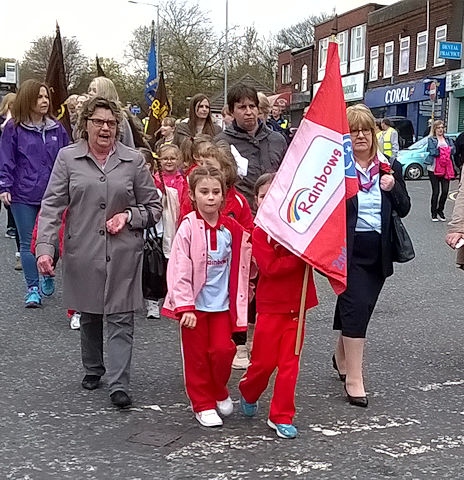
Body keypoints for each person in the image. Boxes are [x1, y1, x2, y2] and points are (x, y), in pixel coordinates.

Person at [35, 96, 162, 408]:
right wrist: (45, 248)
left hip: (124, 253)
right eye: (99, 122)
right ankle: (93, 367)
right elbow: (52, 206)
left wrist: (129, 216)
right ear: (86, 125)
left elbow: (154, 208)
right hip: (84, 249)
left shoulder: (133, 160)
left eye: (111, 122)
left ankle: (120, 385)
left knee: (121, 317)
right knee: (90, 312)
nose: (105, 128)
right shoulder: (67, 158)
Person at [332, 104, 410, 408]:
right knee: (357, 304)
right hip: (346, 250)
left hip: (378, 249)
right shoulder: (339, 169)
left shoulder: (388, 166)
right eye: (354, 130)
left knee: (359, 306)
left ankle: (340, 355)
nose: (361, 135)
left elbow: (403, 209)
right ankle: (354, 378)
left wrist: (392, 188)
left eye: (366, 129)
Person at [162, 166, 252, 428]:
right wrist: (185, 306)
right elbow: (178, 268)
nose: (210, 197)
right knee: (197, 356)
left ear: (224, 196)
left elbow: (248, 252)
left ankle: (218, 389)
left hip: (223, 305)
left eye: (216, 192)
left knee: (224, 351)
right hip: (195, 307)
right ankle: (201, 403)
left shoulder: (231, 228)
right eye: (204, 192)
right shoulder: (188, 228)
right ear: (192, 194)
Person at [238, 172, 318, 439]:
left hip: (297, 304)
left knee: (289, 364)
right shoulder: (260, 232)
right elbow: (270, 268)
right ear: (257, 201)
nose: (270, 199)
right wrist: (300, 255)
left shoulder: (301, 228)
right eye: (264, 195)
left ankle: (281, 415)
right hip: (271, 307)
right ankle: (249, 390)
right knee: (263, 363)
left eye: (276, 193)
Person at [0, 79, 69, 307]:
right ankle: (32, 288)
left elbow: (68, 158)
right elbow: (6, 158)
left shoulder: (57, 128)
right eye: (39, 97)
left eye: (46, 97)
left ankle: (48, 271)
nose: (44, 101)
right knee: (27, 242)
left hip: (53, 194)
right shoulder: (14, 128)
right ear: (28, 99)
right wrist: (4, 186)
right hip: (23, 193)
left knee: (53, 239)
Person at [215, 83, 287, 213]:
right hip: (240, 216)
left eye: (252, 106)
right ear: (232, 111)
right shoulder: (221, 143)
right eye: (242, 107)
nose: (248, 112)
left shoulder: (277, 140)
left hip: (274, 213)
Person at [0, 92, 21, 268]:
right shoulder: (3, 121)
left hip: (17, 171)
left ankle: (12, 225)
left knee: (11, 201)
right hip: (3, 163)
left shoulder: (21, 123)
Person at [87, 76, 136, 148]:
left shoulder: (120, 119)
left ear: (104, 93)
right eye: (89, 90)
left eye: (94, 90)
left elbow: (128, 145)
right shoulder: (83, 116)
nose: (90, 93)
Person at [426, 120, 456, 222]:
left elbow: (454, 150)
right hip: (433, 168)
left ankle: (440, 210)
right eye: (438, 127)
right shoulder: (431, 139)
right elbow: (433, 151)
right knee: (436, 192)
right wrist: (446, 150)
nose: (440, 129)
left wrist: (444, 150)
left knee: (445, 191)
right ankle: (433, 213)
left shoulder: (448, 139)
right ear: (434, 129)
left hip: (446, 168)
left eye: (442, 127)